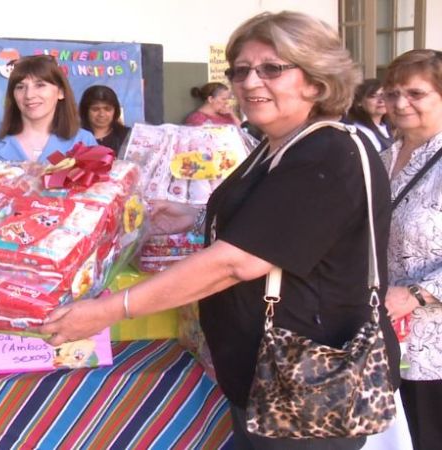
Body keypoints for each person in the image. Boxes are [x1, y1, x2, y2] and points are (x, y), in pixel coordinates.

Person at [41, 11, 400, 450]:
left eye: (272, 68)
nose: (250, 82)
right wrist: (189, 214)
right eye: (241, 70)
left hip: (309, 383)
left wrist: (110, 310)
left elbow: (235, 262)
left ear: (316, 81)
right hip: (267, 375)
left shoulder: (328, 152)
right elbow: (275, 223)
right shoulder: (275, 146)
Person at [382, 49, 442, 450]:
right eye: (393, 93)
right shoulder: (383, 157)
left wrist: (417, 294)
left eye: (416, 93)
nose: (401, 103)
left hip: (435, 345)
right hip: (388, 340)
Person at [0, 54, 97, 162]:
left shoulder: (83, 141)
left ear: (61, 92)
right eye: (20, 87)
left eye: (40, 85)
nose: (29, 95)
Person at [78, 84, 130, 155]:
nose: (102, 114)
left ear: (115, 110)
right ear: (85, 111)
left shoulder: (128, 136)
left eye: (107, 109)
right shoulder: (76, 138)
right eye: (95, 109)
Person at [346, 78, 393, 152]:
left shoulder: (387, 126)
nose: (381, 100)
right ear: (359, 102)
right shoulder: (360, 132)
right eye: (373, 96)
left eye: (383, 95)